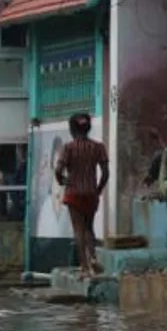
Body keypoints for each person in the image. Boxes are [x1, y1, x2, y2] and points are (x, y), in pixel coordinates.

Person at [56, 112, 110, 274]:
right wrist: (98, 190)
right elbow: (106, 173)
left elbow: (58, 170)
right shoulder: (98, 147)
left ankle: (84, 266)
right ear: (89, 128)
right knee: (89, 228)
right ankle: (93, 257)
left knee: (78, 229)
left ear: (72, 129)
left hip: (73, 194)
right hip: (90, 193)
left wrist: (62, 181)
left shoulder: (68, 148)